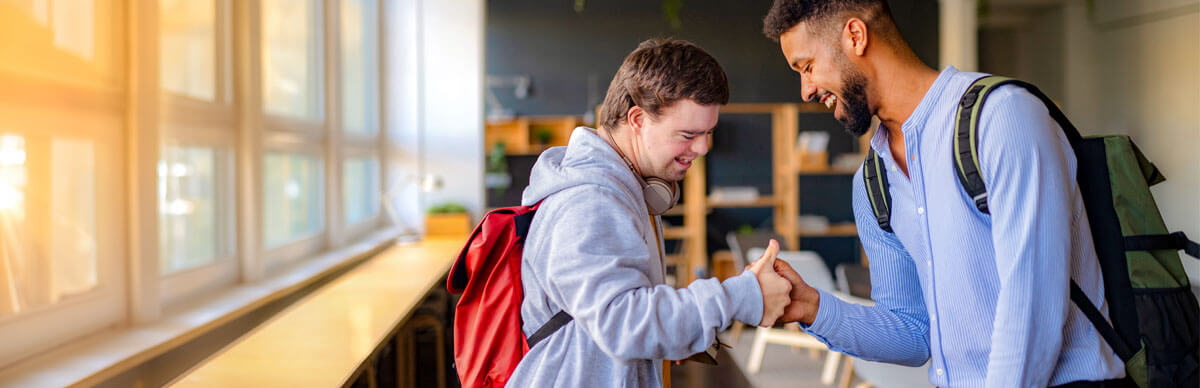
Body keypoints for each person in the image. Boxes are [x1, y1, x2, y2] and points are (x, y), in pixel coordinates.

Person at [760, 1, 1127, 386]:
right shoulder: (873, 182)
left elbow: (1032, 311)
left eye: (807, 67)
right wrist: (813, 308)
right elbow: (912, 333)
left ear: (855, 35)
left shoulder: (1002, 117)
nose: (806, 90)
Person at [506, 38, 793, 387]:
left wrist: (679, 327)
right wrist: (743, 295)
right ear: (637, 119)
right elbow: (624, 324)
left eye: (707, 134)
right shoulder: (590, 201)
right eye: (688, 134)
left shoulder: (623, 190)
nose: (702, 148)